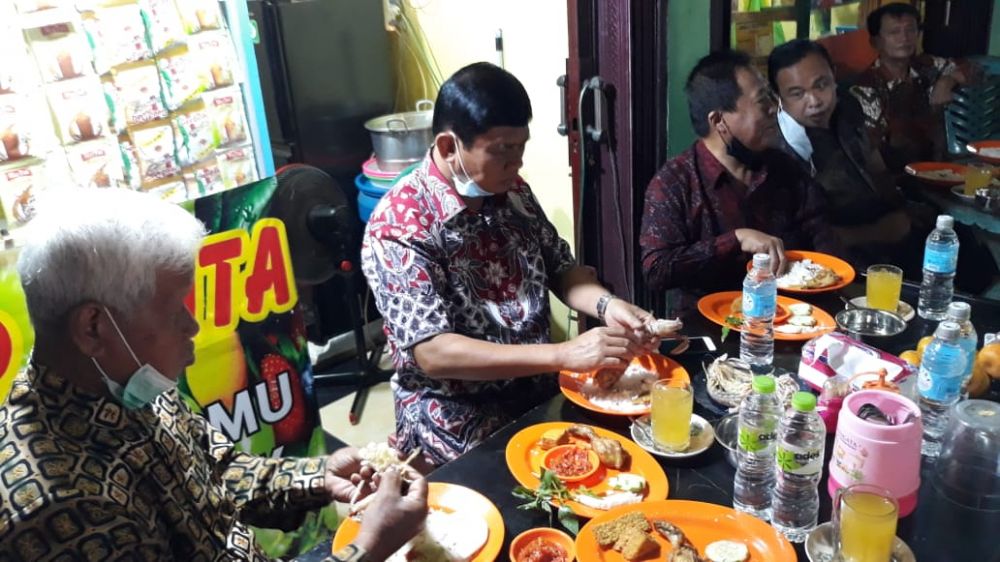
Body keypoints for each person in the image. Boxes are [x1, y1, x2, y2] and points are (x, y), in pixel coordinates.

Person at [0, 189, 426, 562]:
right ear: (93, 327)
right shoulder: (56, 509)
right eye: (173, 313)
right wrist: (368, 547)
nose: (193, 327)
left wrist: (320, 476)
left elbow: (215, 471)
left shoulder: (128, 381)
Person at [361, 62, 665, 469]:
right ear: (450, 147)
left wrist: (610, 306)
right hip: (455, 412)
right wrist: (562, 353)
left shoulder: (512, 191)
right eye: (502, 150)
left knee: (631, 451)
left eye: (521, 148)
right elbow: (433, 352)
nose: (516, 164)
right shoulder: (400, 223)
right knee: (526, 500)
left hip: (537, 387)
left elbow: (561, 268)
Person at [640, 50, 842, 307]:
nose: (774, 107)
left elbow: (821, 232)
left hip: (789, 319)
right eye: (761, 101)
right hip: (709, 327)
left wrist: (830, 280)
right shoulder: (675, 182)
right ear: (718, 121)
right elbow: (656, 270)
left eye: (770, 96)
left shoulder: (784, 168)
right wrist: (735, 240)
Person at [768, 38, 934, 275]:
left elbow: (876, 167)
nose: (814, 101)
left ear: (833, 75)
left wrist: (901, 207)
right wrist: (879, 231)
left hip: (882, 220)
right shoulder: (779, 149)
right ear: (778, 97)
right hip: (835, 258)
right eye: (797, 94)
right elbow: (798, 238)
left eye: (821, 85)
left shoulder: (847, 107)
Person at [851, 2, 975, 171]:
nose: (904, 38)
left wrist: (947, 81)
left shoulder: (926, 66)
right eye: (894, 32)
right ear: (876, 42)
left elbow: (973, 68)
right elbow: (872, 153)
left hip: (938, 167)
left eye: (910, 30)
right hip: (897, 176)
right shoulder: (866, 87)